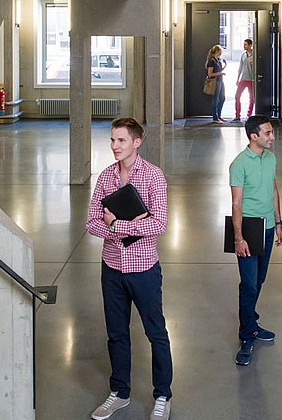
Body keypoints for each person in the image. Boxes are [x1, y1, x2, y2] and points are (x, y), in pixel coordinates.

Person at [86, 117, 173, 420]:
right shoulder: (106, 177)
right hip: (111, 267)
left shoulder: (153, 176)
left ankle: (162, 395)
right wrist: (128, 226)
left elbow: (159, 223)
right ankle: (119, 392)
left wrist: (114, 223)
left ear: (136, 142)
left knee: (156, 332)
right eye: (112, 140)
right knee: (116, 333)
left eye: (121, 140)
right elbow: (91, 223)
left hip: (144, 269)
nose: (114, 146)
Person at [229, 115, 282, 366]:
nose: (272, 137)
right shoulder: (239, 164)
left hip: (269, 226)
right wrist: (238, 238)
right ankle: (246, 334)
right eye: (268, 133)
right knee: (249, 284)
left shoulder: (270, 158)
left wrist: (279, 222)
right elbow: (237, 203)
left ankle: (251, 321)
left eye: (272, 133)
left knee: (259, 279)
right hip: (249, 228)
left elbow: (273, 190)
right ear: (254, 136)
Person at [233, 39, 254, 122]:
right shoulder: (243, 55)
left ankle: (249, 114)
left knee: (252, 98)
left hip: (252, 79)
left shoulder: (255, 55)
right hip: (243, 79)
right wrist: (237, 79)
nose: (244, 46)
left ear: (250, 45)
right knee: (237, 96)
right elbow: (240, 68)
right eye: (244, 44)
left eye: (245, 44)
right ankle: (237, 115)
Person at [206, 44, 227, 124]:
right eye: (220, 51)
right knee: (216, 99)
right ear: (216, 51)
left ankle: (219, 116)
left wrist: (225, 66)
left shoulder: (218, 60)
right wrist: (220, 74)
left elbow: (219, 70)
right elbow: (210, 74)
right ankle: (215, 118)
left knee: (222, 98)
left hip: (220, 81)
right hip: (216, 82)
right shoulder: (212, 61)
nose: (221, 53)